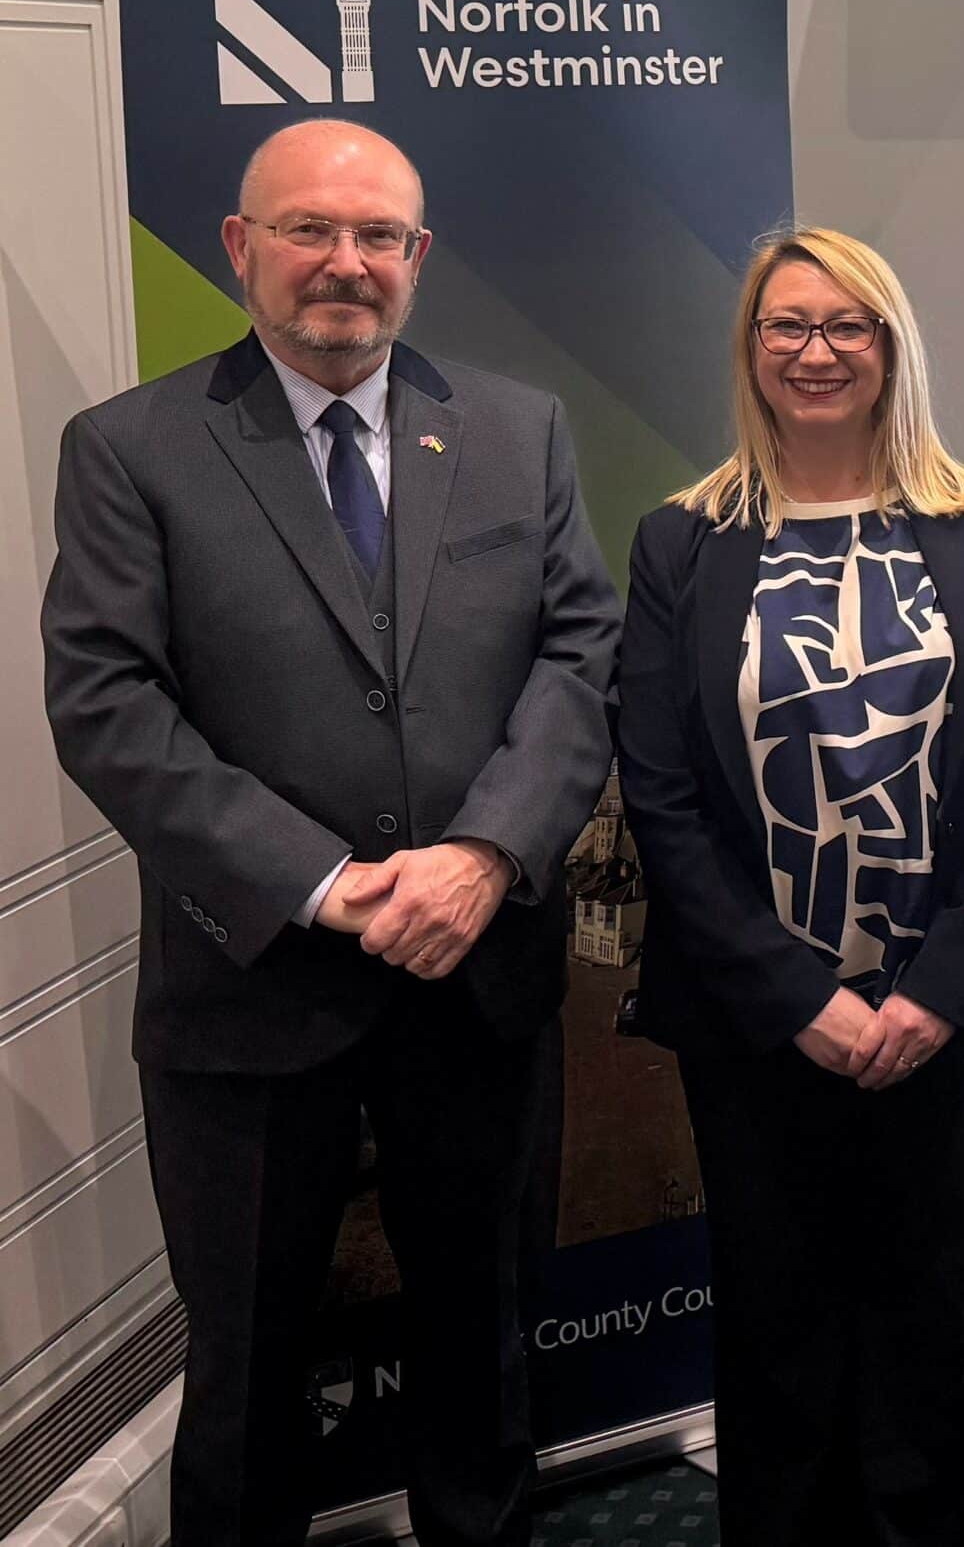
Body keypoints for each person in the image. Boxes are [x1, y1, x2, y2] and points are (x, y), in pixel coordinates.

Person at [40, 120, 618, 1546]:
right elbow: (110, 703)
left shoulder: (515, 426)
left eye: (378, 238)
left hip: (474, 981)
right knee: (244, 1368)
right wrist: (325, 885)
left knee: (483, 1340)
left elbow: (578, 656)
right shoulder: (132, 449)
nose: (344, 265)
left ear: (418, 259)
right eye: (309, 231)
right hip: (250, 996)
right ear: (243, 248)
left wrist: (484, 855)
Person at [615, 227, 964, 1545]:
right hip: (760, 1019)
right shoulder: (682, 544)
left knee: (929, 1321)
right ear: (751, 351)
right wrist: (794, 994)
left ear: (890, 346)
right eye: (787, 327)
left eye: (847, 325)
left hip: (942, 1013)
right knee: (778, 1324)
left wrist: (941, 990)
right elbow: (661, 790)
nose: (817, 352)